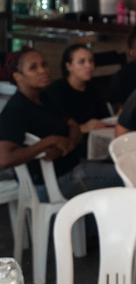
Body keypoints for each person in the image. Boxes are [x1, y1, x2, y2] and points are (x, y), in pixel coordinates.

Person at [0, 49, 122, 198]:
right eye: (33, 68)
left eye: (44, 65)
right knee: (133, 175)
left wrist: (68, 145)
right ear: (18, 76)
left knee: (128, 168)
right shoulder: (17, 109)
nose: (43, 70)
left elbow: (74, 126)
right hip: (52, 183)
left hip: (74, 167)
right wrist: (47, 143)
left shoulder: (45, 98)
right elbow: (4, 159)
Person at [43, 45, 110, 134]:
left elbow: (104, 117)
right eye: (82, 62)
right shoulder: (55, 91)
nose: (89, 65)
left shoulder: (93, 87)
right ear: (69, 66)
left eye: (91, 61)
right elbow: (54, 127)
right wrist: (82, 127)